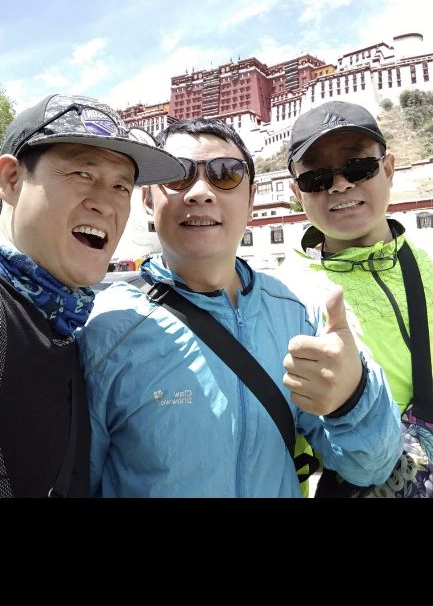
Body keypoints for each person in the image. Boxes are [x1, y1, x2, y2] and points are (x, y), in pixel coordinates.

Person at [79, 117, 402, 498]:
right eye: (179, 175)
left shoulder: (298, 315)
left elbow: (368, 467)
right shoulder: (105, 330)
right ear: (149, 200)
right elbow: (76, 481)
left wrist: (353, 395)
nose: (200, 192)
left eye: (225, 174)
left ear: (251, 199)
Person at [0, 93, 185, 498]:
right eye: (82, 173)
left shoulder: (59, 320)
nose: (105, 203)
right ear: (12, 180)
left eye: (121, 185)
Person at [279, 99, 433, 497]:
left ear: (389, 169)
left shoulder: (428, 263)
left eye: (359, 167)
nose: (340, 185)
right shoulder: (283, 296)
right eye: (316, 178)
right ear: (297, 192)